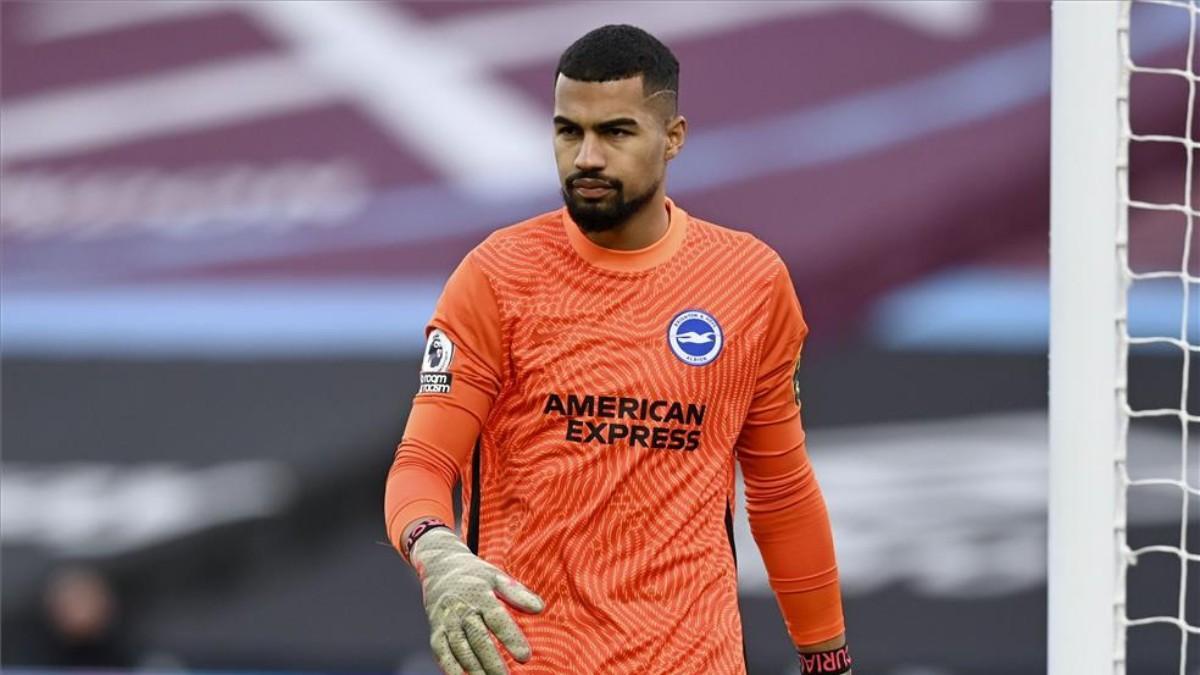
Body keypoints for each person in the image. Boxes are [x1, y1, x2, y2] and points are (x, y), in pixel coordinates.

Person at [384, 24, 851, 675]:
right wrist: (436, 550)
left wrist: (827, 658)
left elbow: (780, 489)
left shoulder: (751, 281)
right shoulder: (495, 276)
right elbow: (422, 464)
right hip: (533, 661)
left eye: (616, 132)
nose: (586, 157)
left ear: (674, 138)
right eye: (568, 131)